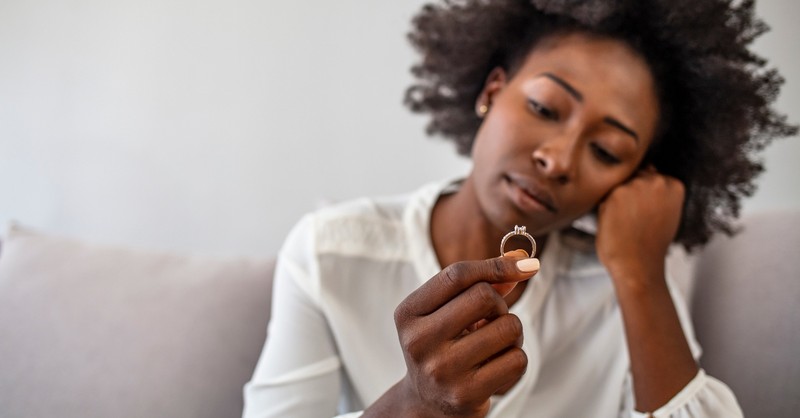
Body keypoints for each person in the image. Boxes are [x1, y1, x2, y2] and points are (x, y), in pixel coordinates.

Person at [243, 0, 797, 417]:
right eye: (544, 106)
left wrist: (640, 276)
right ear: (491, 90)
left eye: (607, 151)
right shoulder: (330, 254)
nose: (558, 159)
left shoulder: (623, 285)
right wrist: (415, 403)